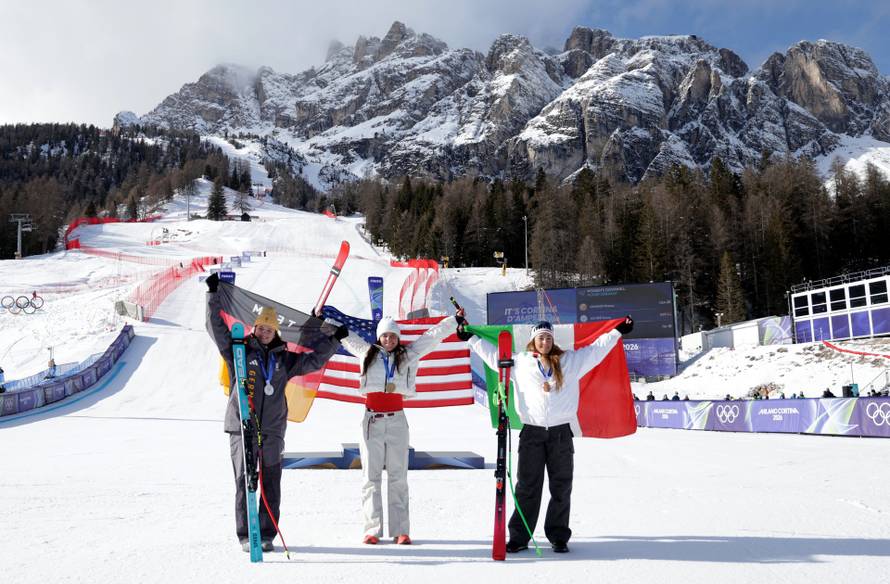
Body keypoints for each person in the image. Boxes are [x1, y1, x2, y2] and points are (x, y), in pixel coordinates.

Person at [457, 314, 634, 554]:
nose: (545, 342)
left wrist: (617, 332)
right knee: (528, 486)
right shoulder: (520, 362)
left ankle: (558, 536)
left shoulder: (569, 361)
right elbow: (493, 356)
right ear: (533, 340)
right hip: (532, 433)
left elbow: (596, 350)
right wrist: (471, 338)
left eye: (548, 338)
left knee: (561, 487)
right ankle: (519, 537)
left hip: (561, 433)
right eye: (540, 337)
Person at [205, 272, 346, 553]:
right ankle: (246, 534)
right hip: (241, 425)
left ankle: (266, 534)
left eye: (269, 329)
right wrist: (212, 295)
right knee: (244, 480)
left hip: (272, 429)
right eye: (261, 328)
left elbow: (313, 360)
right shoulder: (238, 352)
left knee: (271, 480)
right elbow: (216, 328)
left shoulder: (285, 359)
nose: (265, 332)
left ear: (276, 332)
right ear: (254, 328)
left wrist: (334, 341)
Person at [340, 313, 457, 545]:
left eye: (393, 336)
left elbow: (431, 337)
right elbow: (346, 337)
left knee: (398, 476)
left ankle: (401, 530)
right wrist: (325, 321)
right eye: (384, 335)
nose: (389, 339)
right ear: (378, 337)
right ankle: (372, 530)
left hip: (397, 420)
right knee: (370, 477)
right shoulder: (367, 354)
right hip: (371, 421)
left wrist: (453, 321)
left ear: (398, 338)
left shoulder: (408, 356)